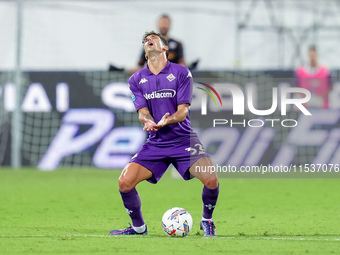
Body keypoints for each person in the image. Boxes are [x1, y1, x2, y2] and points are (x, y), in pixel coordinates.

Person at [109, 31, 219, 236]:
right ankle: (138, 228)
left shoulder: (181, 73)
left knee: (211, 180)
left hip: (182, 139)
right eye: (145, 41)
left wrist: (167, 120)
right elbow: (142, 111)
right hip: (156, 143)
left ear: (165, 47)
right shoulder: (136, 79)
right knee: (124, 182)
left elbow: (183, 110)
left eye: (153, 38)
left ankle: (207, 220)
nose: (148, 41)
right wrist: (148, 120)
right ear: (144, 50)